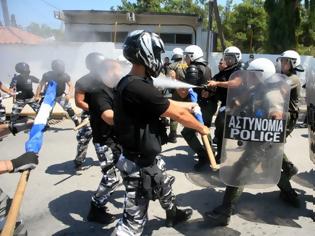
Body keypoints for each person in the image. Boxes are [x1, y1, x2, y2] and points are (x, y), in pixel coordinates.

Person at [113, 30, 210, 236]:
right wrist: (201, 127)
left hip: (146, 157)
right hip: (138, 164)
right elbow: (176, 114)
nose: (158, 58)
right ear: (145, 53)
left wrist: (189, 105)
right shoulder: (138, 86)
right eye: (156, 53)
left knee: (164, 183)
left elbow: (163, 103)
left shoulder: (136, 82)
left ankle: (172, 212)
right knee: (132, 225)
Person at [204, 58, 294, 226]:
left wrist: (274, 117)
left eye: (251, 74)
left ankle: (225, 212)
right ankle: (290, 193)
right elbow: (241, 100)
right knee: (269, 167)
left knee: (239, 172)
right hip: (255, 139)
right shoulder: (257, 88)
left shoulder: (271, 94)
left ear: (262, 75)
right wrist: (235, 104)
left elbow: (277, 116)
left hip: (261, 142)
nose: (248, 77)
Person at [181, 44, 216, 170]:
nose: (185, 58)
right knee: (204, 130)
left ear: (192, 55)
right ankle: (211, 154)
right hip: (209, 105)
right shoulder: (206, 67)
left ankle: (203, 156)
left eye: (187, 56)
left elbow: (187, 88)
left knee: (187, 132)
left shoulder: (194, 68)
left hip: (201, 107)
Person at [276, 50, 304, 207]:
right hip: (280, 115)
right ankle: (288, 167)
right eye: (282, 61)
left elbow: (277, 88)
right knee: (273, 145)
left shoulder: (292, 79)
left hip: (288, 117)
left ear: (293, 64)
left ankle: (289, 190)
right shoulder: (284, 77)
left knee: (271, 146)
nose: (283, 63)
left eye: (286, 61)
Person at [207, 46, 243, 163]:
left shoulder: (240, 70)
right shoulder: (223, 73)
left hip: (241, 104)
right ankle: (222, 154)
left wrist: (217, 83)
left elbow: (235, 83)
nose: (227, 61)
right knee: (221, 126)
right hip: (226, 104)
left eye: (230, 59)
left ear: (237, 58)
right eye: (226, 58)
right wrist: (206, 90)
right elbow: (213, 85)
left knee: (238, 130)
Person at [73, 53, 106, 169]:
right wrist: (96, 109)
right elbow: (79, 102)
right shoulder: (83, 82)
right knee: (83, 139)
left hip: (106, 115)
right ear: (91, 66)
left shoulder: (109, 79)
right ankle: (79, 160)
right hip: (90, 115)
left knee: (107, 140)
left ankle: (109, 163)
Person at [35, 59, 80, 126]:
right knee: (45, 111)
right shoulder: (47, 75)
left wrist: (69, 94)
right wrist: (37, 96)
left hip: (60, 96)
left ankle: (76, 121)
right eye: (60, 67)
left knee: (68, 109)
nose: (61, 69)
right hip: (49, 96)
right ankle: (45, 124)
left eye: (62, 67)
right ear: (55, 68)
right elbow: (41, 85)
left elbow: (71, 85)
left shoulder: (65, 75)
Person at [167, 48, 188, 143]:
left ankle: (173, 135)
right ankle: (191, 130)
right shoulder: (188, 63)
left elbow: (171, 79)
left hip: (177, 92)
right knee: (189, 111)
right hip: (189, 91)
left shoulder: (172, 66)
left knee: (174, 113)